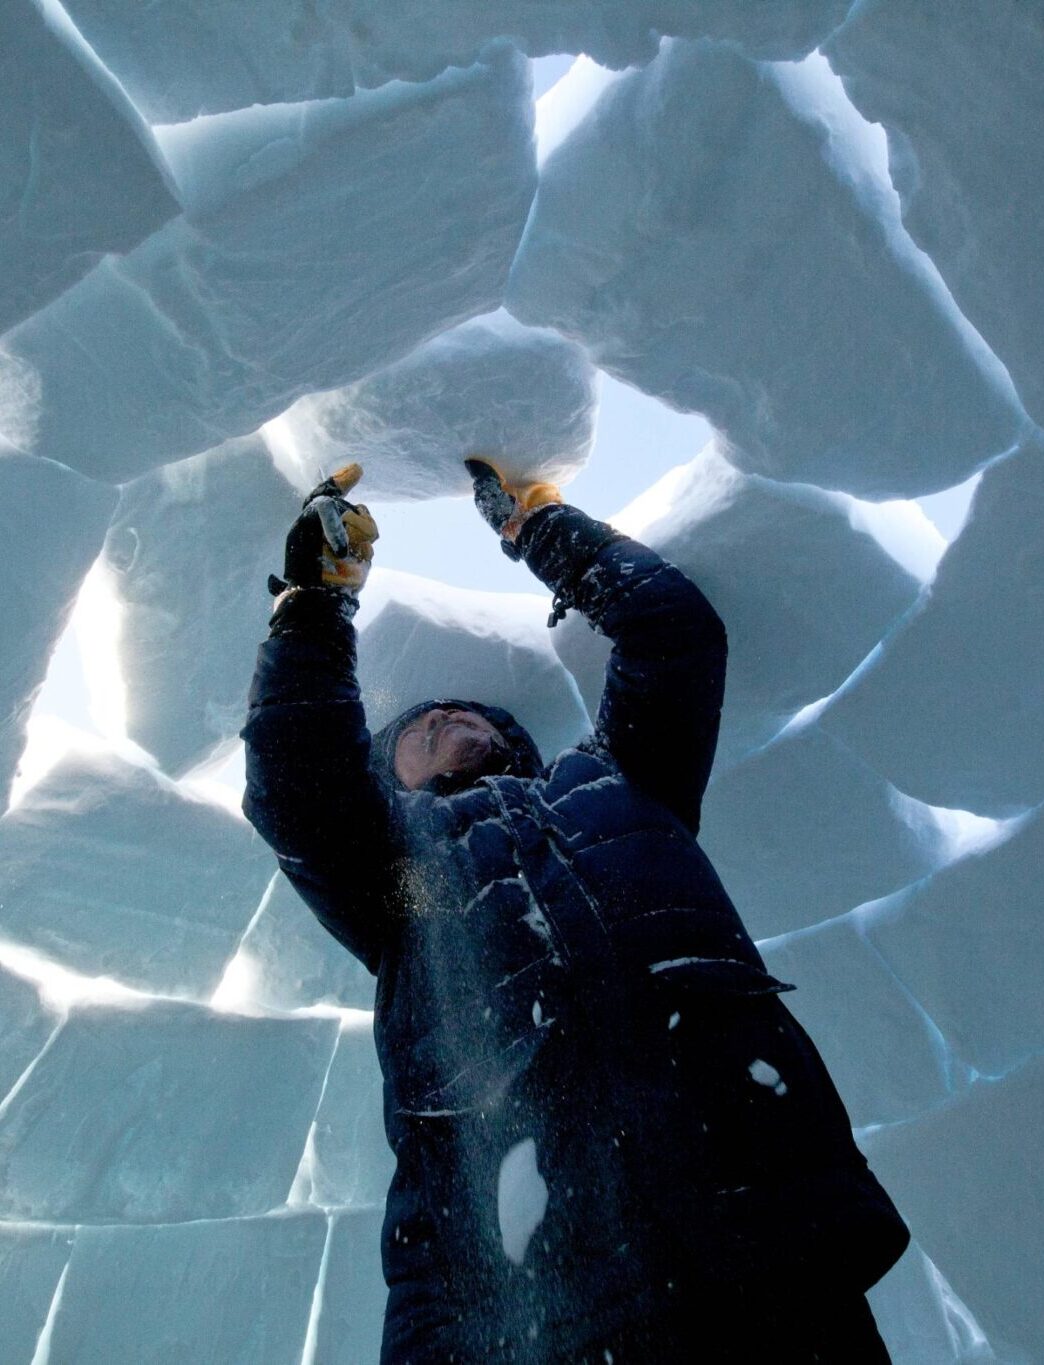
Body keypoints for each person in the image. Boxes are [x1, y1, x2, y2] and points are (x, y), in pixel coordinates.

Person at [242, 459, 909, 1363]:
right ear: (385, 785)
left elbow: (672, 636)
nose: (439, 714)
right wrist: (314, 604)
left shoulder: (620, 780)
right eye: (413, 728)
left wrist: (538, 524)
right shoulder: (402, 879)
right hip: (530, 1305)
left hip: (760, 1236)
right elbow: (301, 792)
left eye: (456, 709)